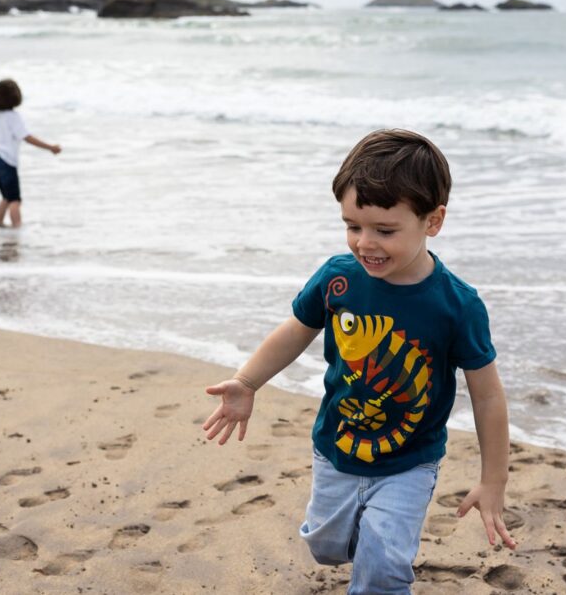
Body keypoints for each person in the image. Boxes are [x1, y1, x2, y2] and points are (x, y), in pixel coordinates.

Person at [203, 129, 516, 594]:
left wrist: (493, 482)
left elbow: (487, 396)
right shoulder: (339, 280)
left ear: (433, 221)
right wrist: (247, 382)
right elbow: (295, 331)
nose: (365, 243)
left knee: (384, 565)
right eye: (353, 226)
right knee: (327, 548)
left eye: (384, 231)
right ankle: (356, 541)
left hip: (411, 460)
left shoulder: (457, 306)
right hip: (337, 447)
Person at [0, 79, 61, 227]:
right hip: (6, 161)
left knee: (6, 197)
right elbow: (26, 137)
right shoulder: (13, 117)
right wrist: (50, 147)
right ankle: (17, 230)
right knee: (15, 200)